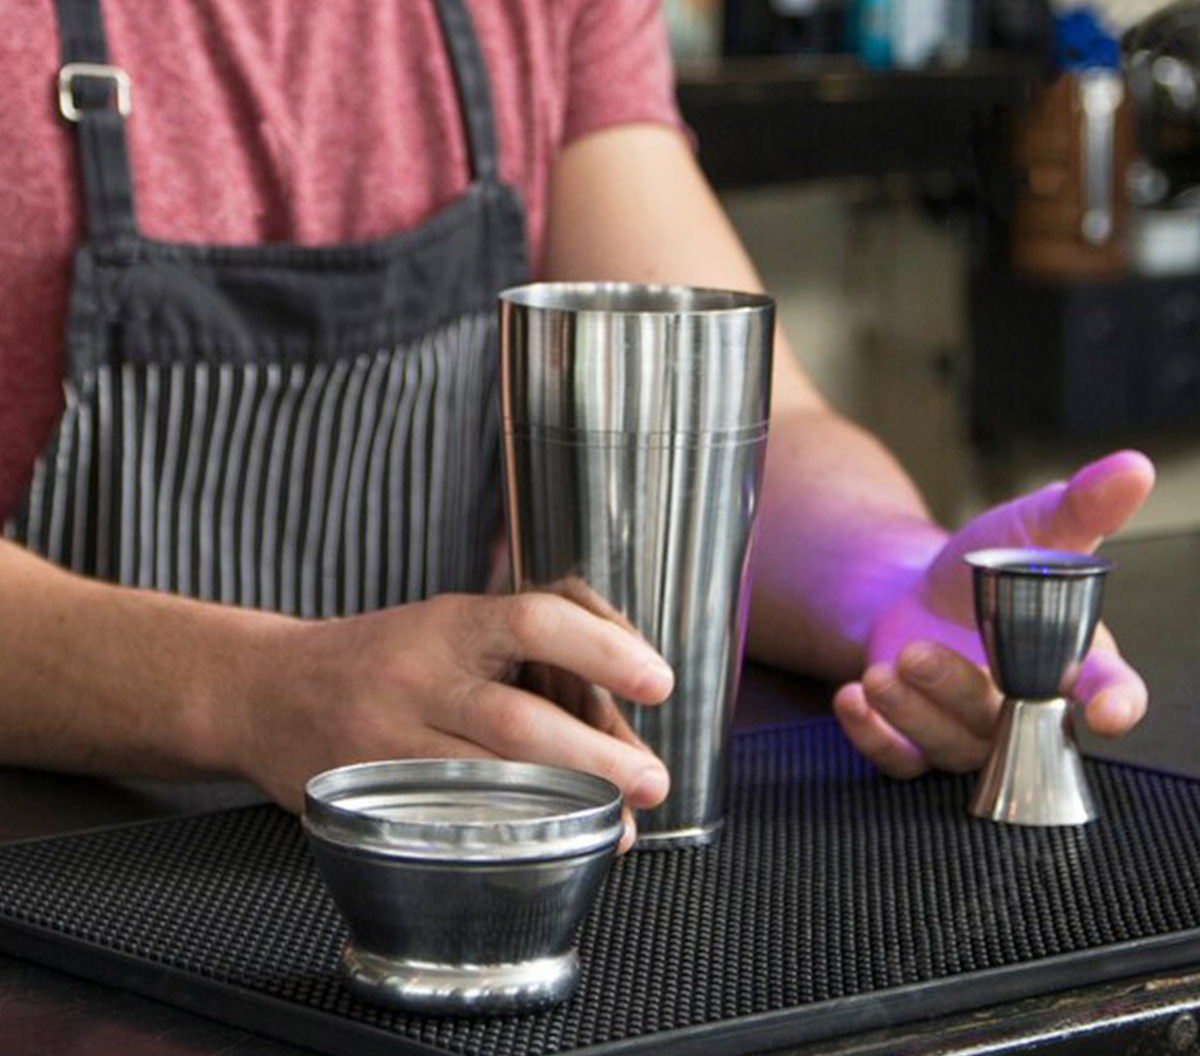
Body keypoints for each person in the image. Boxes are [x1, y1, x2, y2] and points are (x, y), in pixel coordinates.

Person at [0, 0, 1154, 850]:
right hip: (61, 883)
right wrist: (253, 691)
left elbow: (746, 419)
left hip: (465, 861)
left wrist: (896, 584)